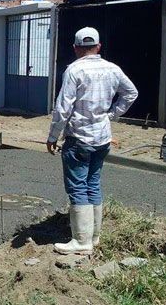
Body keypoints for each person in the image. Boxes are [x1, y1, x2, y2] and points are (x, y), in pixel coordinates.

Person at [46, 27, 138, 255]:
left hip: (79, 138)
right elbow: (131, 93)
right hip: (102, 138)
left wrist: (52, 136)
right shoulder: (112, 69)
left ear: (76, 48)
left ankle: (81, 241)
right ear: (98, 46)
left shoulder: (74, 70)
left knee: (78, 187)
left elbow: (63, 108)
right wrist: (112, 114)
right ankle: (94, 236)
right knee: (93, 183)